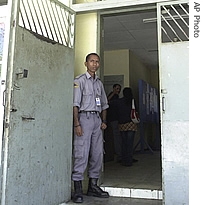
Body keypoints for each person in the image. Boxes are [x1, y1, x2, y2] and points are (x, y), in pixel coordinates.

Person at [72, 53, 109, 203]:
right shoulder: (79, 81)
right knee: (81, 152)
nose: (94, 64)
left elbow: (105, 104)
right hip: (84, 119)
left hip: (96, 120)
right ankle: (78, 189)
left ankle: (93, 186)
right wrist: (77, 124)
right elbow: (75, 105)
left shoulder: (99, 83)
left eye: (97, 62)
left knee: (97, 153)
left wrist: (104, 120)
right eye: (91, 61)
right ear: (86, 63)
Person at [111, 87, 137, 166]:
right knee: (130, 143)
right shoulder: (132, 101)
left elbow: (109, 103)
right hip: (131, 124)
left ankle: (123, 159)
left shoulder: (119, 101)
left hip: (122, 124)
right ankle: (129, 160)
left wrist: (113, 93)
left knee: (123, 143)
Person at [107, 84, 122, 162]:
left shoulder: (117, 97)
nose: (118, 90)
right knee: (115, 137)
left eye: (119, 89)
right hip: (112, 119)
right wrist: (113, 93)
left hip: (114, 119)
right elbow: (106, 102)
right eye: (116, 88)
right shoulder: (112, 96)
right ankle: (118, 154)